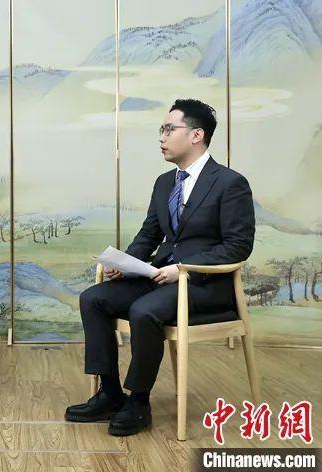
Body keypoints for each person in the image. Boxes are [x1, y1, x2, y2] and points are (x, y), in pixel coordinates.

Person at [65, 99, 255, 436]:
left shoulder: (230, 183)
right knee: (94, 298)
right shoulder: (165, 182)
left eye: (169, 129)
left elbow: (238, 245)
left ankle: (139, 402)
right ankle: (110, 394)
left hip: (205, 285)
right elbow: (150, 234)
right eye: (161, 130)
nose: (162, 137)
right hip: (161, 277)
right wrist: (126, 263)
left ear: (196, 135)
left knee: (144, 310)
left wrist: (183, 267)